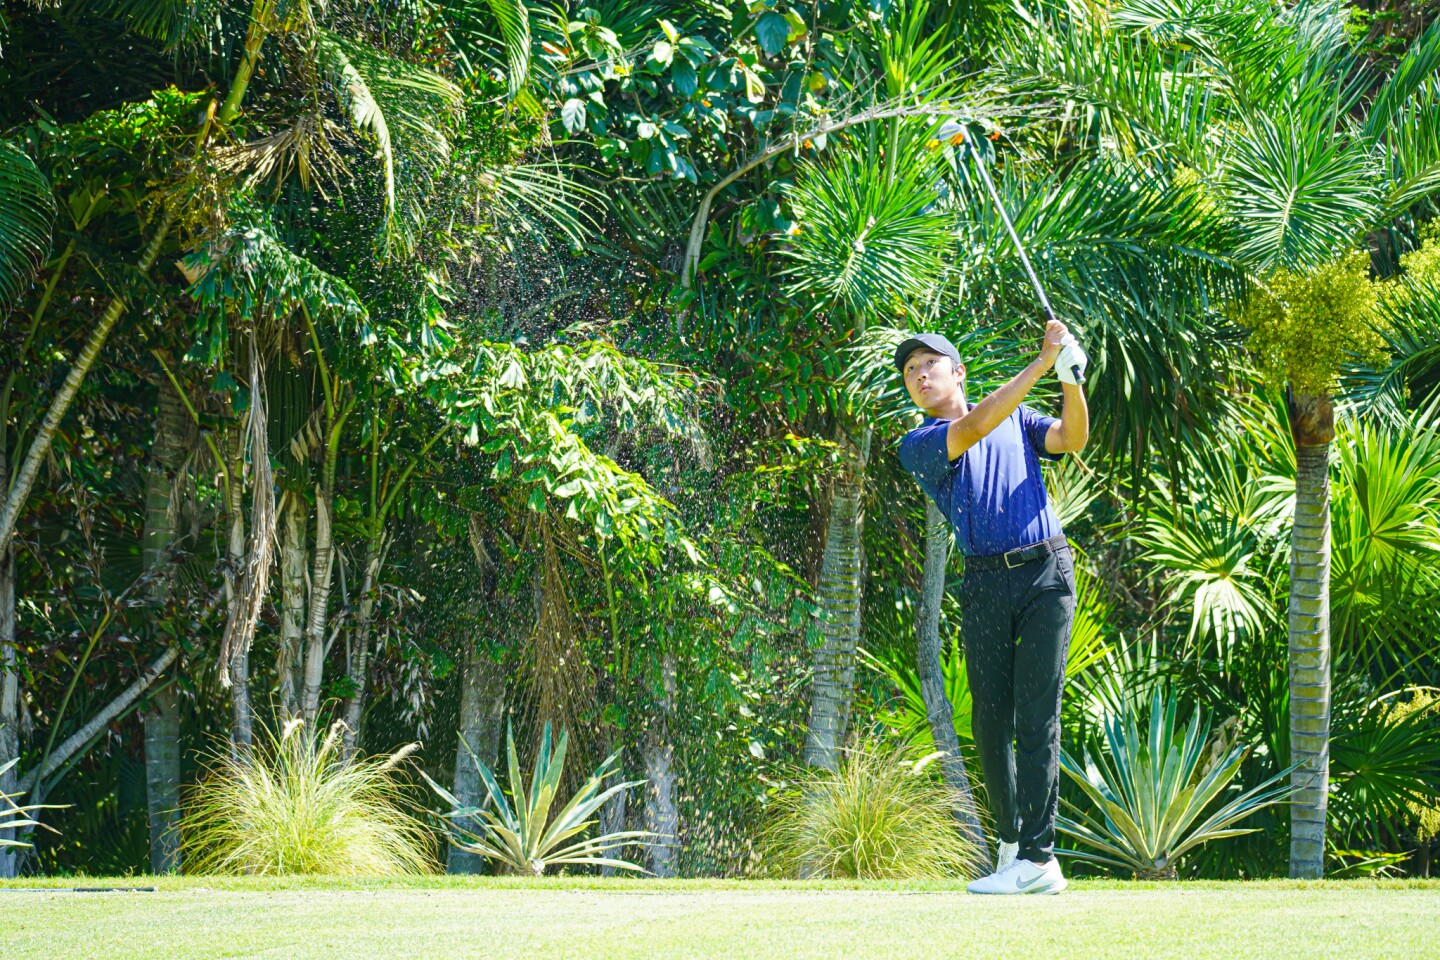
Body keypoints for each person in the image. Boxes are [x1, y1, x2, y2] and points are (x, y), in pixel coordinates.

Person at [894, 321, 1089, 896]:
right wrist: (1041, 362)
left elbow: (1071, 438)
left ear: (959, 372)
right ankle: (1011, 847)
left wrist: (1069, 379)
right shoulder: (922, 443)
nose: (920, 375)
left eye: (931, 364)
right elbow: (975, 426)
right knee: (990, 722)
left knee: (1037, 717)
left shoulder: (1021, 420)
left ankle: (1039, 858)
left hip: (1045, 572)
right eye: (910, 371)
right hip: (983, 582)